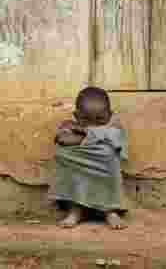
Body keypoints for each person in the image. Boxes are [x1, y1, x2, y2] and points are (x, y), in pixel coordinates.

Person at [50, 86, 128, 229]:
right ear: (77, 115)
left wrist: (83, 134)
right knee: (64, 154)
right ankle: (76, 210)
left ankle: (110, 211)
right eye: (86, 119)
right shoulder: (70, 123)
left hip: (104, 166)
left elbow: (116, 140)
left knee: (107, 154)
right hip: (78, 163)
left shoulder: (114, 124)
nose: (93, 123)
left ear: (109, 114)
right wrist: (90, 137)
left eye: (100, 119)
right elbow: (62, 139)